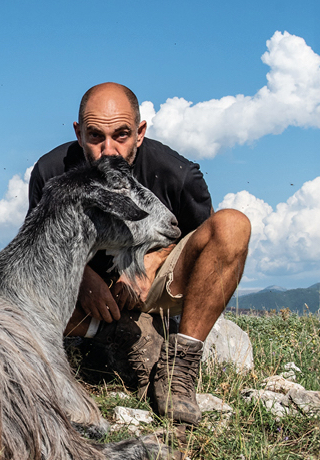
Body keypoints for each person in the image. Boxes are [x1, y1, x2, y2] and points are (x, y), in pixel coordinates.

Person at [28, 82, 250, 425]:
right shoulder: (50, 173)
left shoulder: (179, 175)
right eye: (95, 137)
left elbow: (202, 247)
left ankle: (179, 368)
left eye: (121, 135)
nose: (108, 151)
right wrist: (83, 278)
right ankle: (115, 336)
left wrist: (155, 259)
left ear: (141, 132)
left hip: (158, 288)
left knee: (233, 225)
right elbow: (37, 252)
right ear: (78, 133)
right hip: (84, 298)